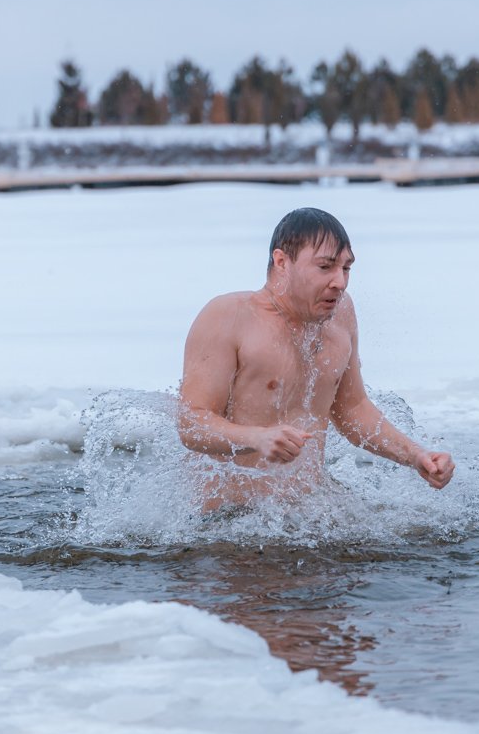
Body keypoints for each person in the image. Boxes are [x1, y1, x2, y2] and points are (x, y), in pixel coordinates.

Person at [177, 207, 455, 511]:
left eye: (346, 268)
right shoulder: (229, 317)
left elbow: (352, 409)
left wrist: (415, 455)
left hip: (306, 514)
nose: (340, 282)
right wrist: (256, 438)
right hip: (227, 521)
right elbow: (192, 423)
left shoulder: (340, 313)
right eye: (325, 267)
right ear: (282, 262)